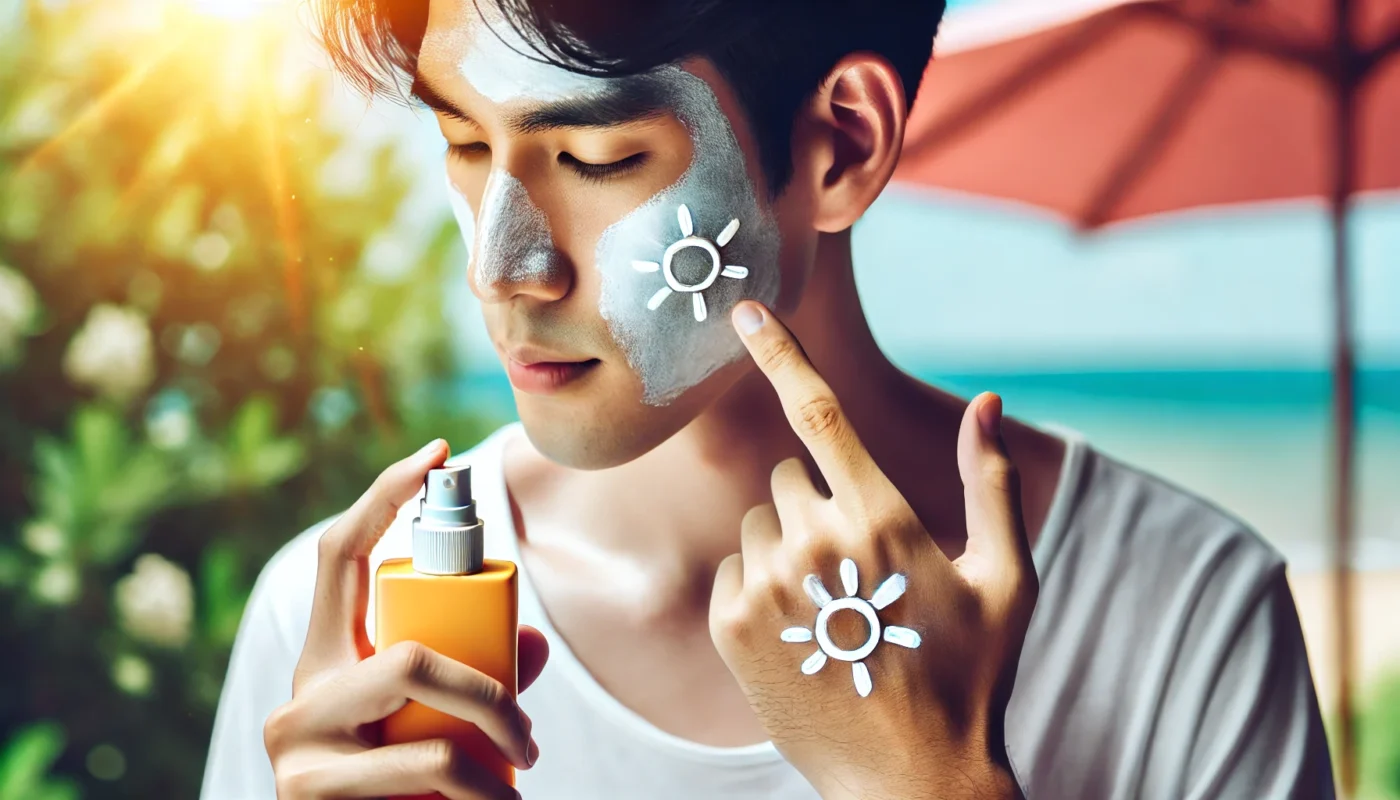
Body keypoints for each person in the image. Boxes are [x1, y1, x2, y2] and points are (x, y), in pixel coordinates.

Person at [201, 1, 1336, 797]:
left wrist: (930, 785)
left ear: (841, 144)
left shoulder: (1183, 607)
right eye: (460, 141)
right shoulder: (342, 631)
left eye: (596, 157)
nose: (501, 267)